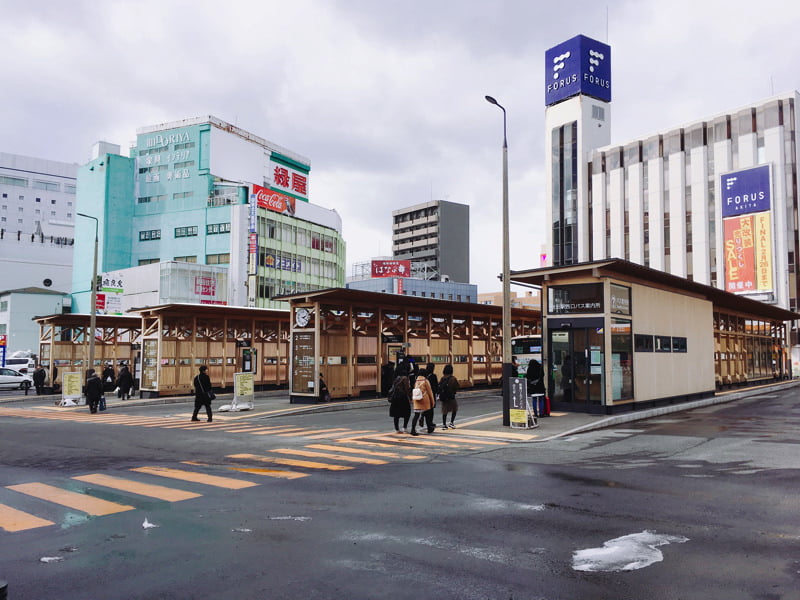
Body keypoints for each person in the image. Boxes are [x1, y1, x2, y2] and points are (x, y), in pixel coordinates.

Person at [410, 368, 436, 436]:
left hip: (416, 400)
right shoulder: (425, 381)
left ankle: (413, 429)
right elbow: (430, 392)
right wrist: (432, 402)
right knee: (428, 414)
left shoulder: (416, 381)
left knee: (416, 415)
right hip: (425, 400)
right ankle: (429, 428)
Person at [388, 361, 412, 434]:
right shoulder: (405, 378)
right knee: (407, 413)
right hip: (402, 398)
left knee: (396, 414)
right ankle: (405, 427)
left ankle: (397, 429)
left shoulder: (396, 378)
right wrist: (410, 397)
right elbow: (407, 389)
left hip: (395, 398)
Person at [439, 364, 460, 429]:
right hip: (451, 396)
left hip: (444, 397)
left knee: (444, 411)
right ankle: (451, 423)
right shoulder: (453, 378)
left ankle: (444, 425)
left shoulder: (442, 378)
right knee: (454, 409)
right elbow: (457, 386)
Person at [421, 363, 439, 433]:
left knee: (426, 410)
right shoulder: (433, 376)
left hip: (424, 396)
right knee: (431, 411)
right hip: (431, 395)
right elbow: (436, 387)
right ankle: (430, 426)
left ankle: (424, 417)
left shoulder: (424, 376)